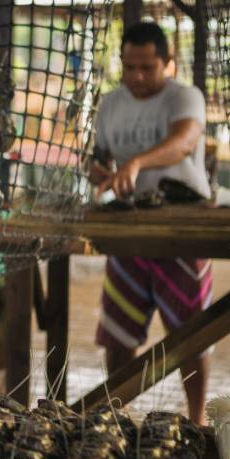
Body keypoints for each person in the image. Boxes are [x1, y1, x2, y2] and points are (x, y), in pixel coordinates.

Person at [91, 22, 211, 425]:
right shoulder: (110, 104)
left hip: (182, 232)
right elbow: (99, 158)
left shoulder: (186, 97)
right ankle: (116, 417)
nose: (138, 76)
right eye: (130, 67)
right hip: (128, 234)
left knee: (191, 335)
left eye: (148, 67)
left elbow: (185, 141)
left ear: (168, 64)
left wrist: (138, 161)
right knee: (117, 332)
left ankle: (196, 421)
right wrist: (99, 171)